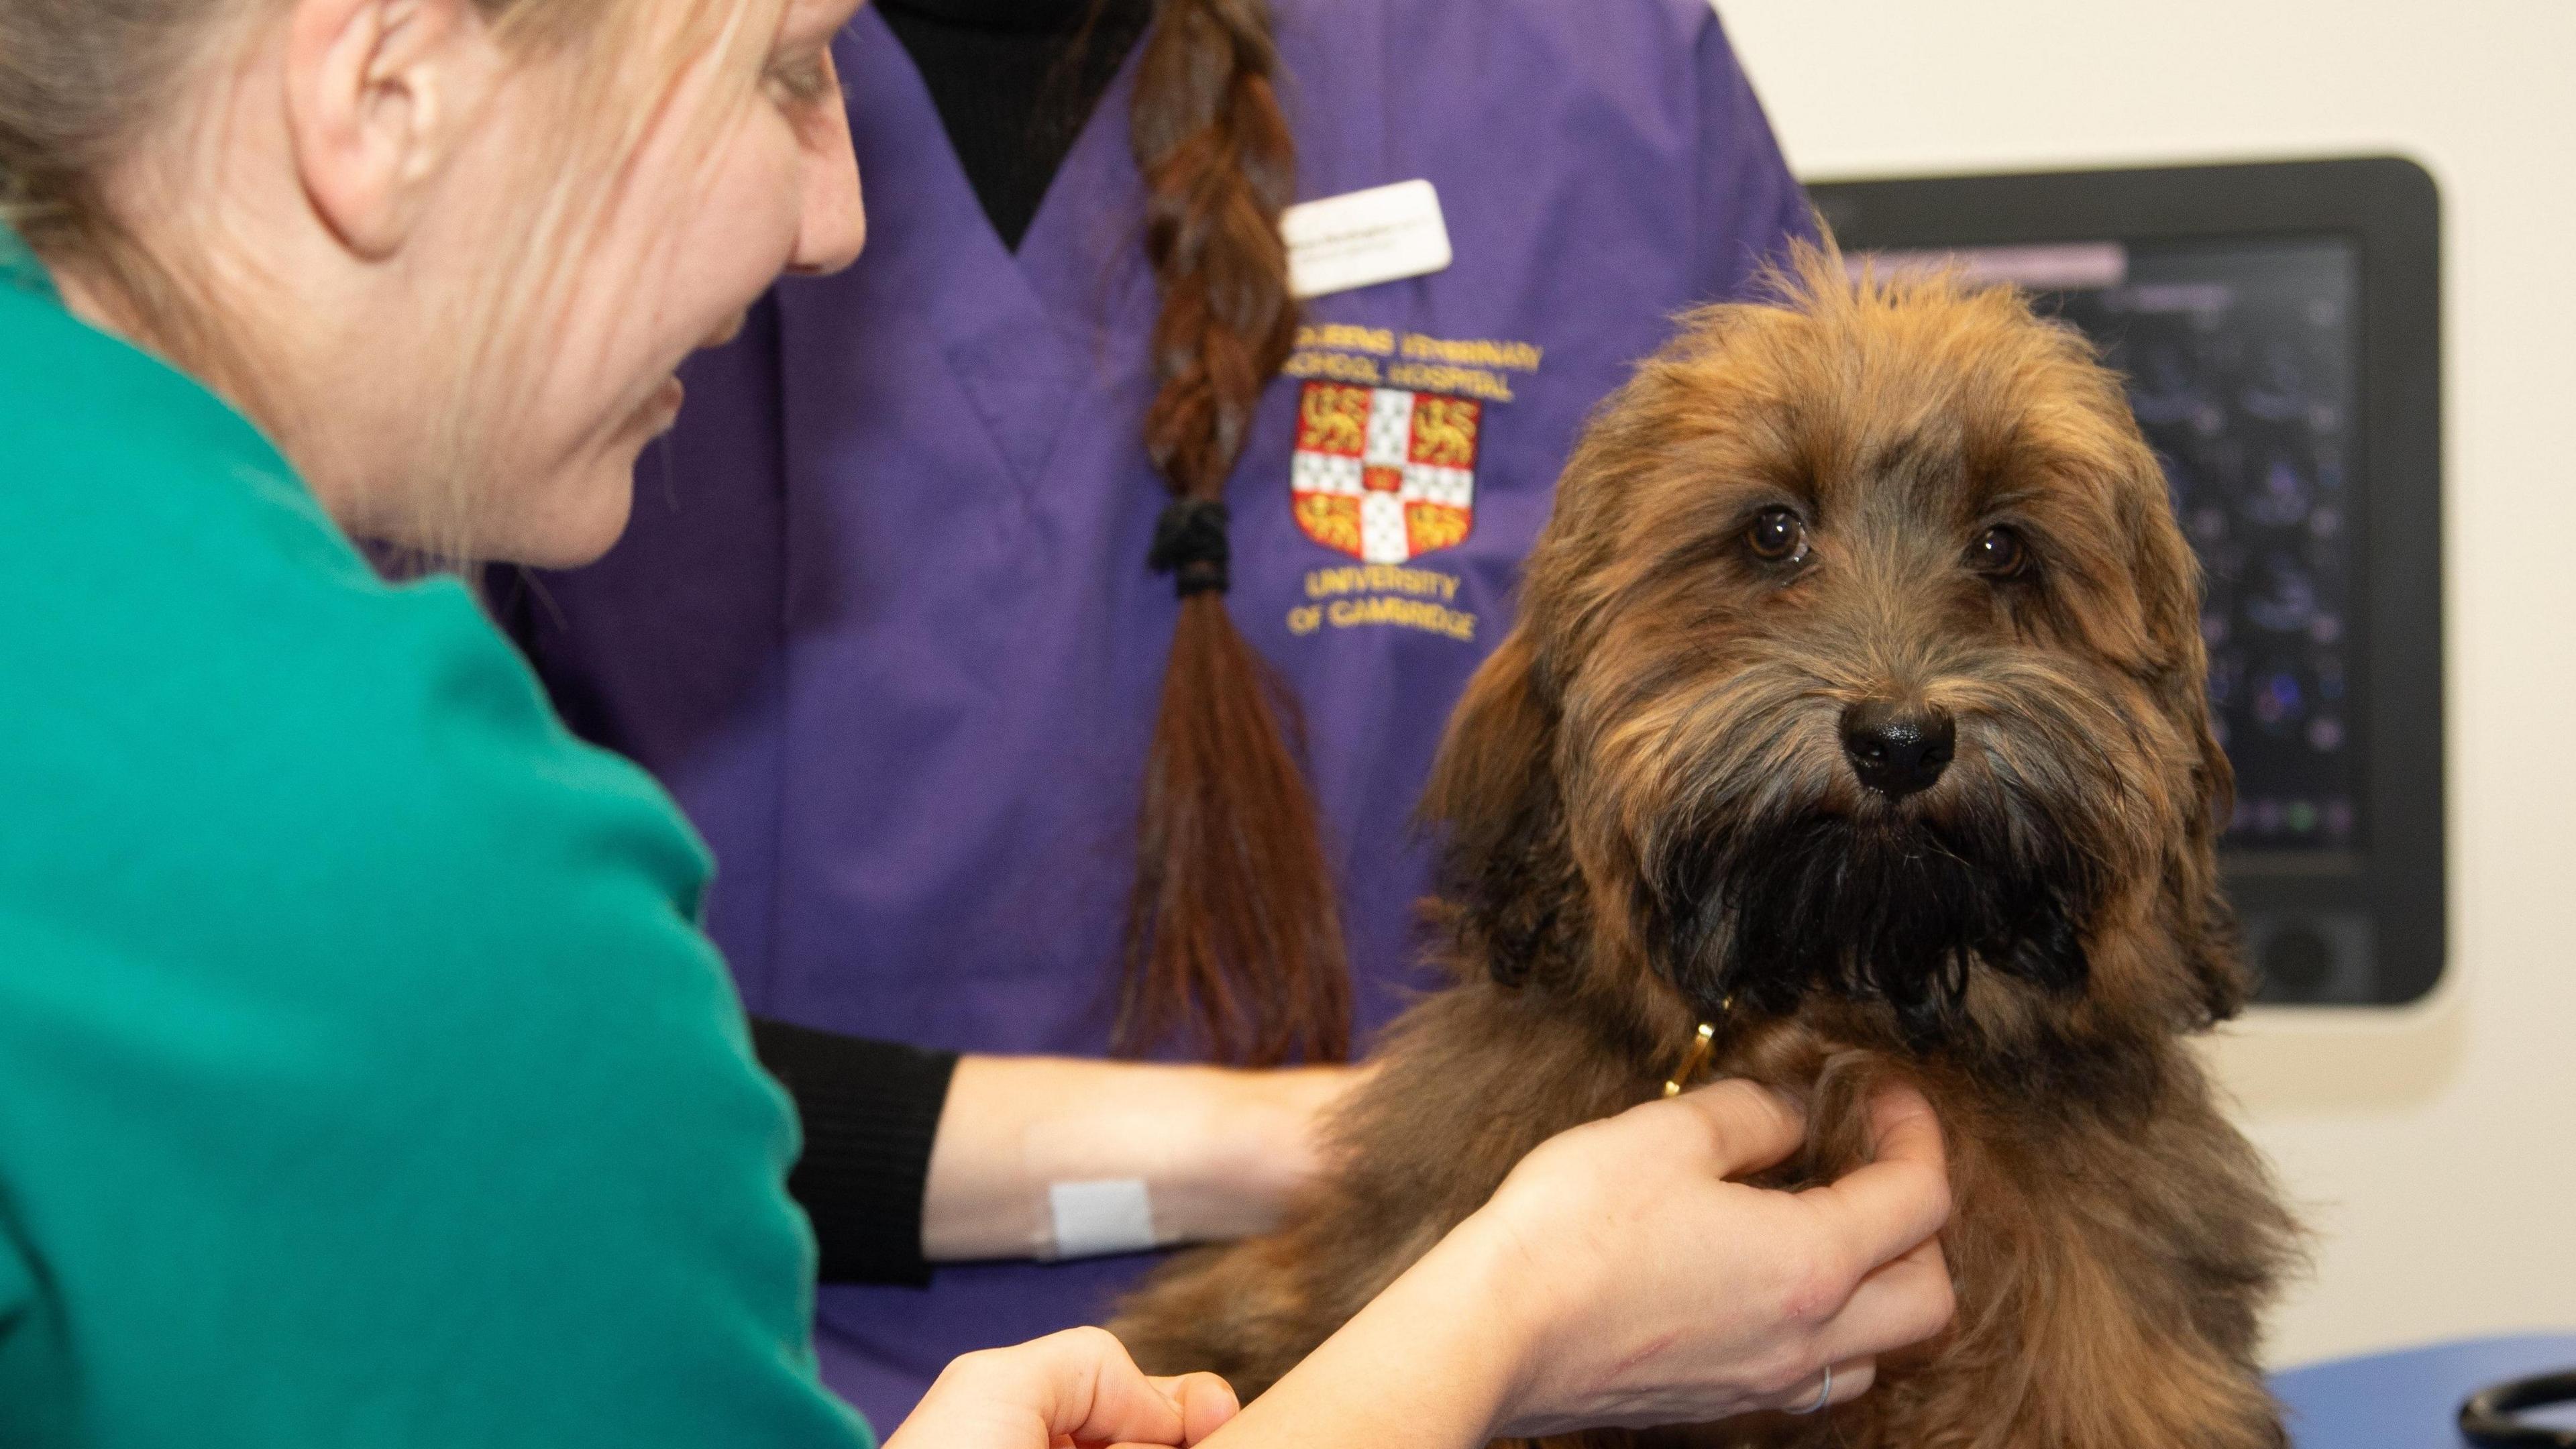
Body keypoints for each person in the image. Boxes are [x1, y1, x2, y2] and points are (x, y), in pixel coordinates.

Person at [0, 0, 1961, 1443]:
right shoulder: (395, 871)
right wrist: (1506, 1324)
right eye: (782, 69)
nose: (838, 213)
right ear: (387, 85)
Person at [507, 0, 1825, 1423]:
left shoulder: (1598, 85)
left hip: (1503, 1344)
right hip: (705, 1361)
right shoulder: (573, 73)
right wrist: (1316, 1154)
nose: (824, 209)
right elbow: (434, 1000)